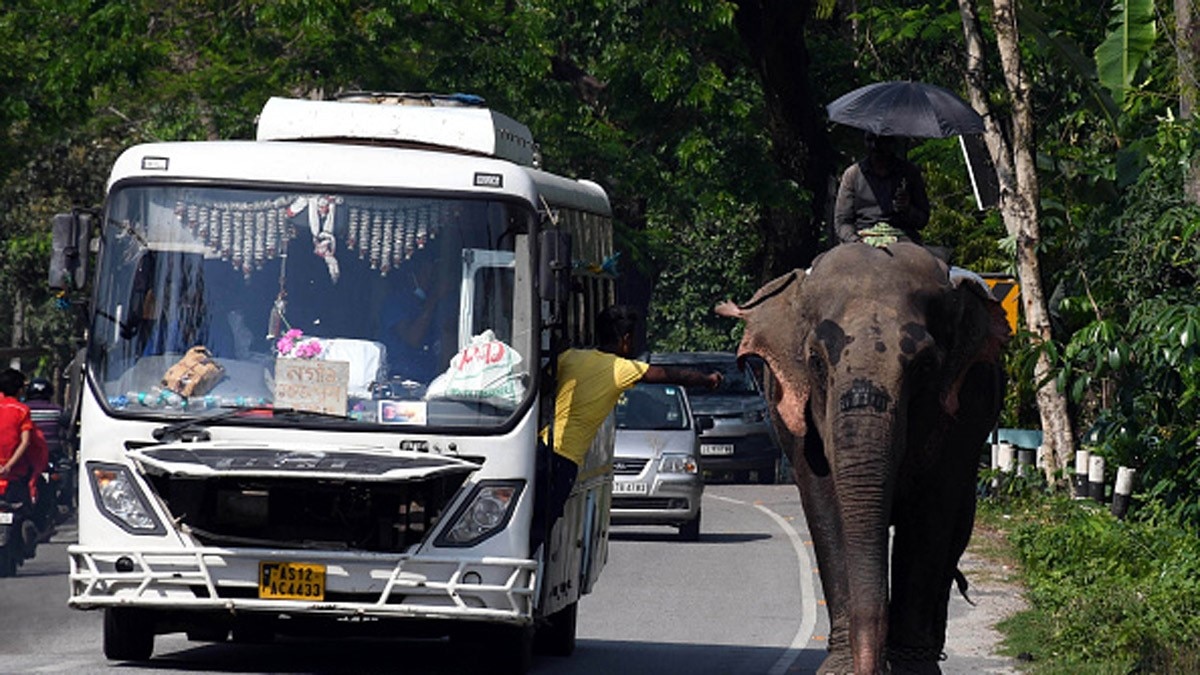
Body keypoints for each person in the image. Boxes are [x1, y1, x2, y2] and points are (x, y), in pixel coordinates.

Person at [531, 305, 722, 551]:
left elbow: (542, 388)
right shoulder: (620, 369)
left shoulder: (570, 357)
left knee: (527, 522)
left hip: (540, 449)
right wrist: (708, 380)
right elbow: (667, 374)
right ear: (626, 340)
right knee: (540, 530)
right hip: (564, 460)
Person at [834, 132, 930, 245]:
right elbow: (842, 221)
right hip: (861, 236)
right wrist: (854, 241)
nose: (875, 146)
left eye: (881, 141)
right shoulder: (853, 174)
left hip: (903, 238)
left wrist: (907, 208)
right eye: (870, 140)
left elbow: (922, 220)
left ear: (892, 143)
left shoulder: (909, 173)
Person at [380, 247, 457, 384]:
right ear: (412, 275)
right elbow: (413, 338)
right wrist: (434, 298)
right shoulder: (396, 302)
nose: (431, 279)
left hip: (430, 377)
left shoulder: (428, 303)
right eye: (426, 274)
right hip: (400, 377)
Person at [0, 369, 33, 505]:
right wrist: (8, 466)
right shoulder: (22, 410)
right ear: (19, 390)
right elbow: (25, 442)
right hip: (16, 472)